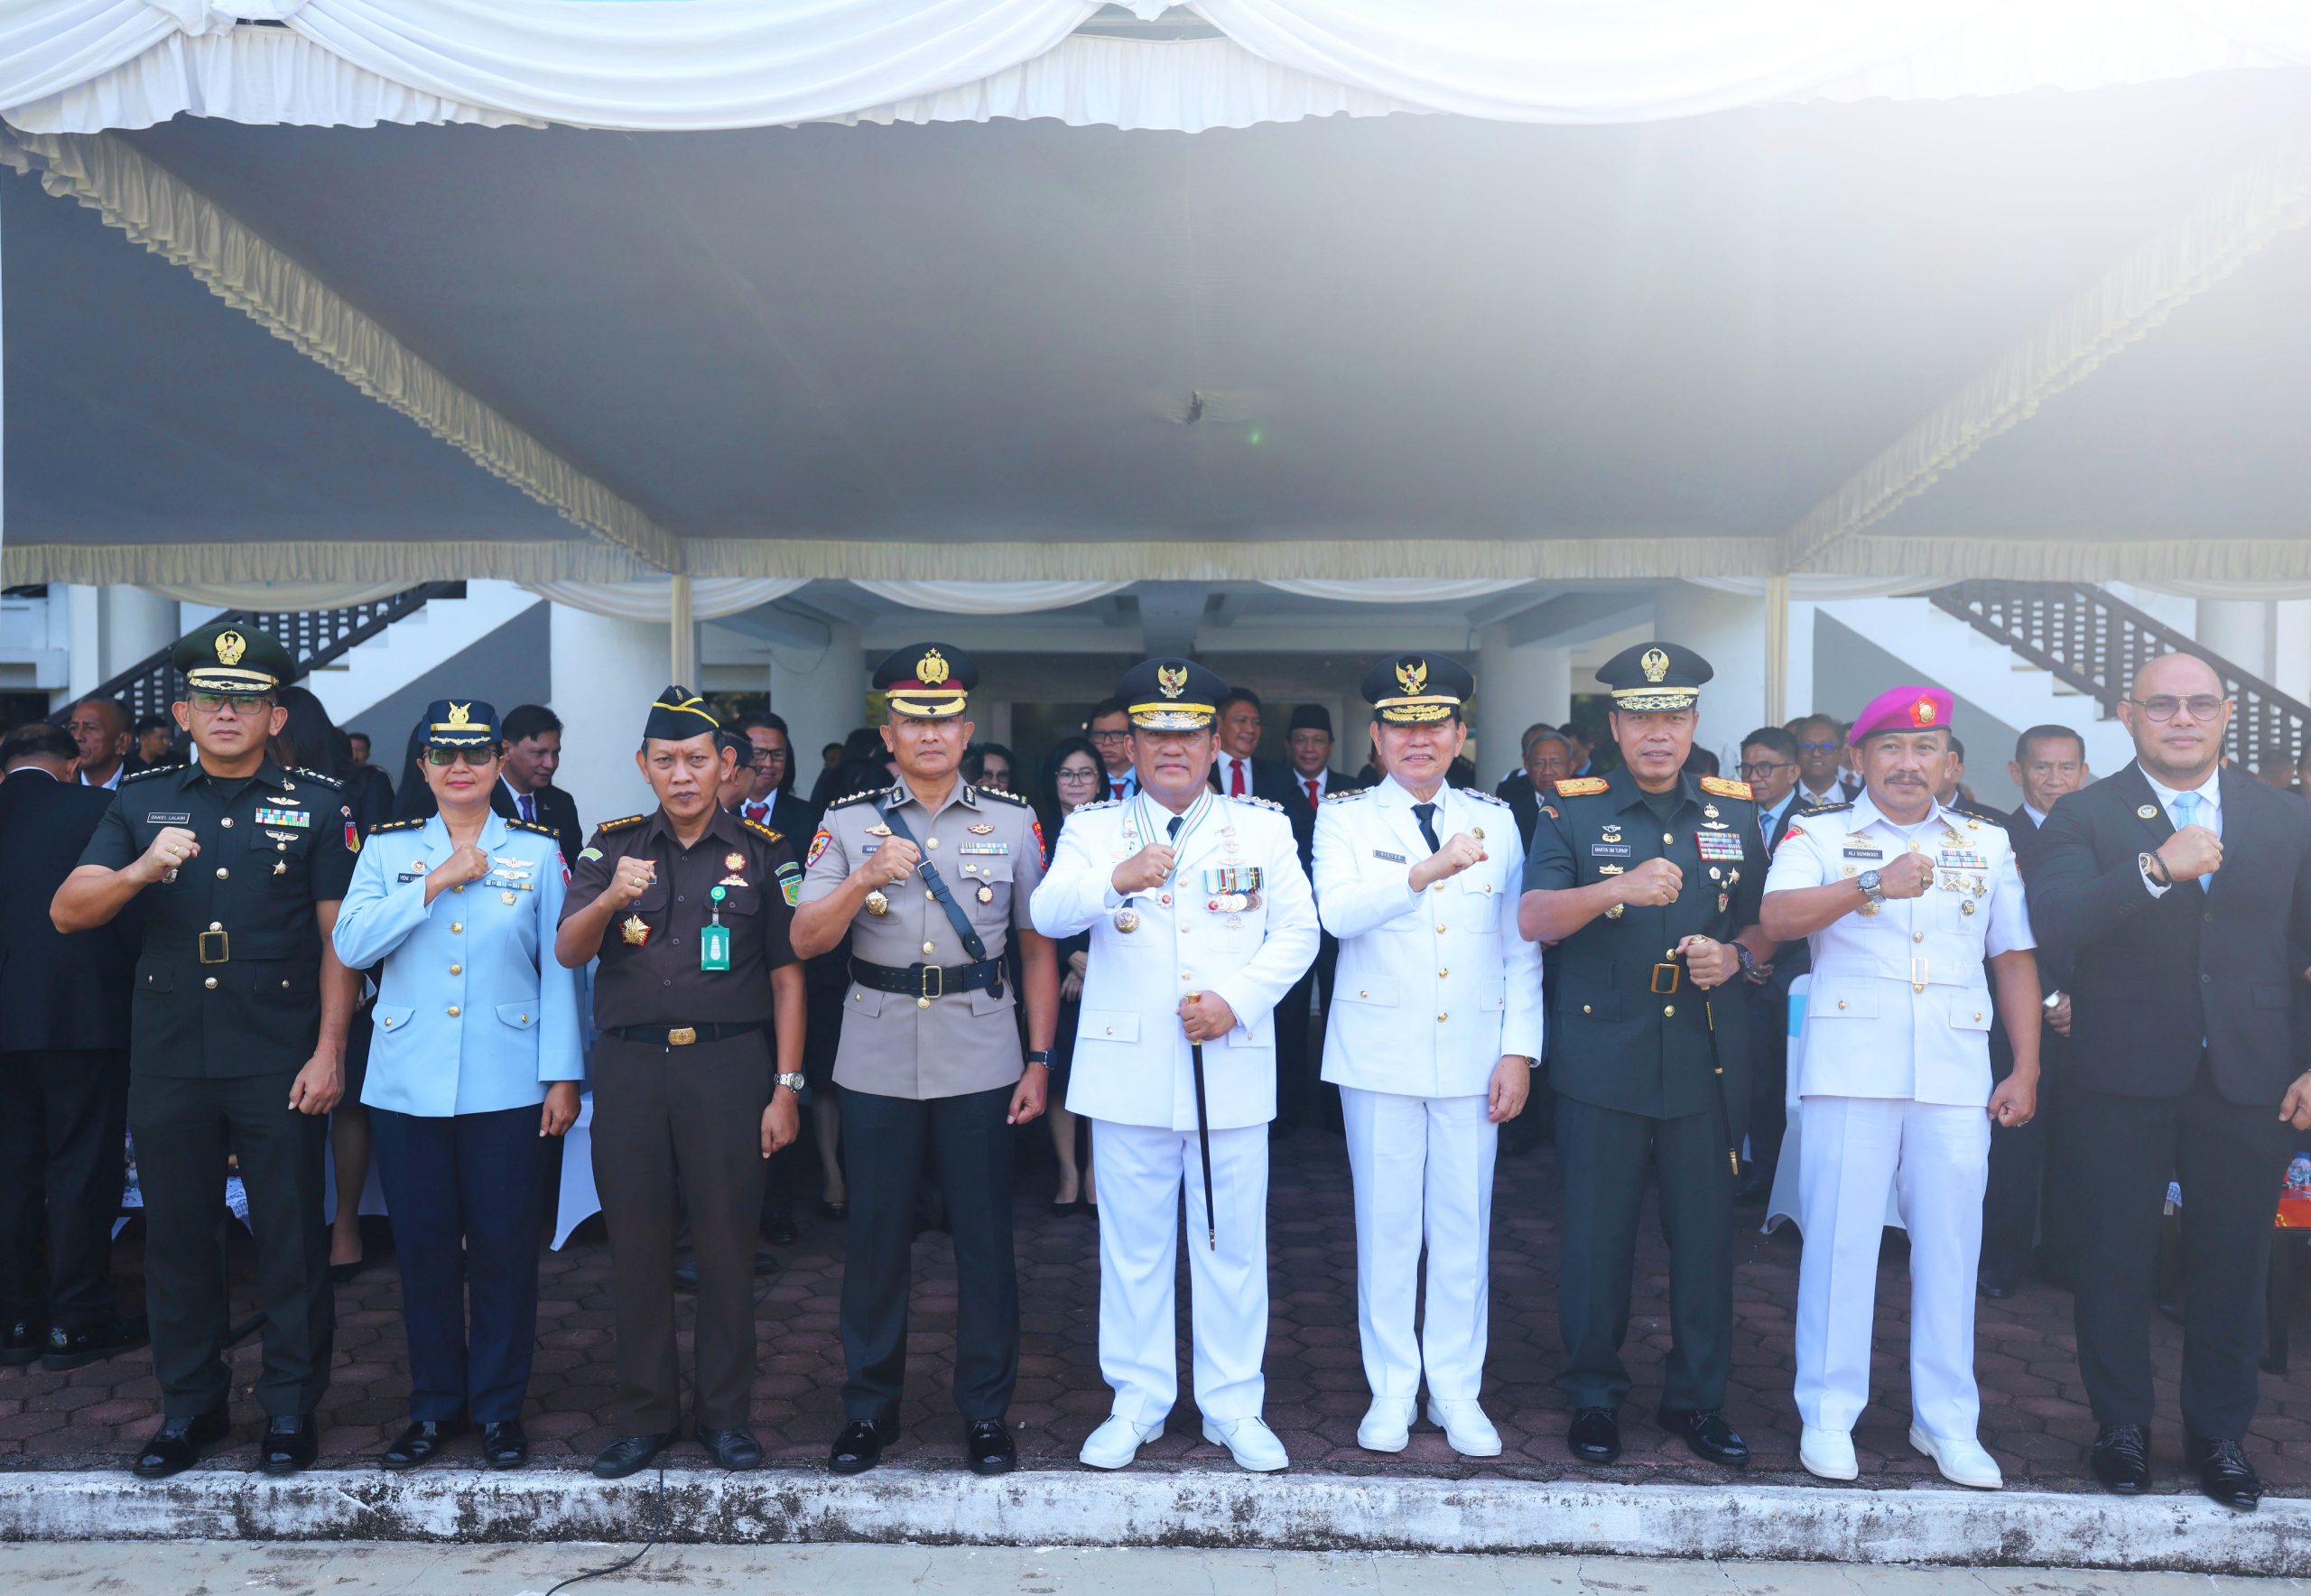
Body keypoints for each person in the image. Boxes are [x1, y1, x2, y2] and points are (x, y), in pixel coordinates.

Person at [52, 622, 358, 1480]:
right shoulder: (142, 803)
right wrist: (140, 871)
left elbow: (340, 945)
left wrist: (331, 1051)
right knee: (178, 1237)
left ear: (274, 715)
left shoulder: (321, 803)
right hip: (172, 1053)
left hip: (279, 1053)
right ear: (184, 712)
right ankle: (190, 1408)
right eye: (212, 700)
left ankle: (292, 1408)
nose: (228, 712)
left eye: (248, 699)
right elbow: (69, 912)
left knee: (291, 1236)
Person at [2028, 654, 2311, 1511]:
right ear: (2128, 714)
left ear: (2227, 714)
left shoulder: (2287, 815)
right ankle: (2120, 1428)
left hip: (2254, 1072)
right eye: (2162, 705)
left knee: (2234, 1260)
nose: (2181, 718)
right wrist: (2156, 868)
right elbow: (2055, 920)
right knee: (2115, 1258)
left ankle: (2219, 1437)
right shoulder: (2083, 812)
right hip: (2121, 1070)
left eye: (2199, 704)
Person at [1031, 657, 1319, 1474]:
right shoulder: (1095, 828)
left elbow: (1300, 932)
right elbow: (1044, 912)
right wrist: (1112, 880)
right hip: (1127, 1069)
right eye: (1155, 732)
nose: (1171, 748)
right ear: (1132, 740)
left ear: (1213, 740)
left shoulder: (1259, 825)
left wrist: (1238, 998)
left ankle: (1234, 1404)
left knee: (1231, 1242)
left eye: (1189, 732)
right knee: (1134, 1245)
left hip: (1226, 1057)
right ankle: (1138, 1401)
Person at [1759, 686, 2039, 1489]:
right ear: (1857, 761)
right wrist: (1873, 884)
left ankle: (1946, 1420)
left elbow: (2013, 957)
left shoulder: (1986, 845)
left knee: (1951, 1249)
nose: (1908, 765)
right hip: (1851, 1070)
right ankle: (1828, 1413)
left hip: (1955, 1075)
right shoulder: (1818, 833)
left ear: (1951, 764)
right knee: (1840, 1244)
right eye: (1889, 749)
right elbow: (1778, 918)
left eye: (1926, 751)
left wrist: (2025, 1067)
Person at [793, 644, 1056, 1480]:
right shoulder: (844, 822)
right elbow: (804, 938)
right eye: (914, 719)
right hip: (874, 1052)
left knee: (985, 1240)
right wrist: (865, 871)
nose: (931, 732)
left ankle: (986, 1412)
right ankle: (869, 1411)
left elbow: (1037, 949)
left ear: (967, 729)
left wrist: (1040, 1058)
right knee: (875, 1242)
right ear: (890, 730)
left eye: (945, 719)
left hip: (982, 1050)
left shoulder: (1014, 821)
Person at [1517, 642, 1772, 1471]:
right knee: (1597, 1241)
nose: (1657, 732)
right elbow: (1535, 919)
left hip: (1704, 1053)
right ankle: (1593, 1397)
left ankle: (1698, 1400)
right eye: (1640, 717)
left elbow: (1769, 921)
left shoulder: (1732, 812)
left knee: (1704, 1241)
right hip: (1605, 1053)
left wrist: (1737, 957)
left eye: (1673, 716)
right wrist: (1613, 889)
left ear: (1694, 723)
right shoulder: (1571, 810)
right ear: (1615, 727)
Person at [554, 686, 806, 1480]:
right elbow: (567, 950)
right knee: (637, 1247)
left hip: (730, 1066)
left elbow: (789, 978)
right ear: (644, 766)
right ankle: (644, 1416)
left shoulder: (763, 851)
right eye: (666, 761)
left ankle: (726, 1417)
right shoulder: (611, 847)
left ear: (724, 764)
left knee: (730, 1246)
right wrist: (612, 899)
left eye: (698, 760)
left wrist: (787, 1085)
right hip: (631, 1066)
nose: (683, 775)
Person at [333, 700, 584, 1472]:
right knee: (425, 1254)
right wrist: (436, 880)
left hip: (508, 1086)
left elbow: (562, 974)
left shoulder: (538, 853)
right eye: (442, 753)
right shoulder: (387, 849)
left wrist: (563, 1075)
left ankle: (501, 1411)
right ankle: (436, 1406)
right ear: (423, 767)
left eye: (474, 751)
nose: (459, 766)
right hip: (408, 1086)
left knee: (507, 1253)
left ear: (497, 758)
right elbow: (351, 942)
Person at [1315, 654, 1542, 1457]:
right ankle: (1391, 1389)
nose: (1419, 738)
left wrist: (1520, 1050)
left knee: (1462, 1225)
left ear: (1459, 736)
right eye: (1402, 725)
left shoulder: (1498, 816)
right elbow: (1337, 915)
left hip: (1475, 1051)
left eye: (1435, 724)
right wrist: (1422, 871)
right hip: (1378, 1053)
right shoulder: (1344, 817)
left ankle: (1455, 1388)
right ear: (1375, 736)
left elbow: (1519, 944)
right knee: (1386, 1228)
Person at [0, 722, 144, 1372]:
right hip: (81, 1015)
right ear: (69, 763)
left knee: (11, 1170)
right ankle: (77, 1318)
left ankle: (16, 1316)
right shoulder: (95, 807)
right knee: (82, 1166)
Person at [268, 684, 390, 1284]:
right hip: (272, 972)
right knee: (282, 1107)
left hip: (344, 966)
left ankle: (345, 1226)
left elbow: (356, 898)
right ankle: (294, 1232)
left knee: (345, 1105)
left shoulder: (350, 795)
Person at [1980, 724, 2091, 1297]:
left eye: (2066, 768)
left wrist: (2084, 1000)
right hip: (2017, 1017)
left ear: (2084, 773)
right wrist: (2050, 997)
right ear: (2016, 772)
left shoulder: (2102, 831)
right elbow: (2002, 935)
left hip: (2091, 1016)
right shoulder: (1995, 835)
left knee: (2081, 1143)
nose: (2054, 779)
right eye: (2041, 768)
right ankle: (2001, 1260)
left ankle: (2066, 1259)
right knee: (2014, 1142)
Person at [1034, 736, 1106, 1213]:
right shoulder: (1034, 830)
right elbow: (1028, 905)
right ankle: (1067, 1170)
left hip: (1107, 970)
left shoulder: (1115, 829)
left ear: (1100, 780)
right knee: (1059, 1075)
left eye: (1085, 773)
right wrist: (1067, 959)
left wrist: (1089, 961)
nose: (1076, 782)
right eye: (1067, 773)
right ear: (1053, 780)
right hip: (1051, 972)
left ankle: (1098, 1172)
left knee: (1101, 1076)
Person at [1496, 726, 1573, 853]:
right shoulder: (1511, 801)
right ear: (1527, 765)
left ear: (1570, 766)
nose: (1547, 771)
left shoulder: (1587, 800)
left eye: (1556, 763)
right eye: (1539, 763)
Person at [737, 712, 813, 837]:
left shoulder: (810, 817)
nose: (768, 763)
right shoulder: (714, 813)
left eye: (777, 754)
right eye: (759, 753)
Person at [64, 697, 133, 791]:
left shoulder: (144, 788)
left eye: (91, 728)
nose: (77, 737)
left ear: (122, 742)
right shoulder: (62, 788)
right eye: (73, 728)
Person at [1790, 714, 1857, 807]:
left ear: (1841, 754)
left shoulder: (1859, 799)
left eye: (1826, 747)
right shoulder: (1782, 796)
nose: (1816, 754)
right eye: (1807, 746)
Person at [1087, 701, 1137, 801]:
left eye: (1117, 734)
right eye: (1100, 734)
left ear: (1132, 739)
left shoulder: (1152, 781)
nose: (1107, 742)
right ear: (1090, 739)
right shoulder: (1081, 783)